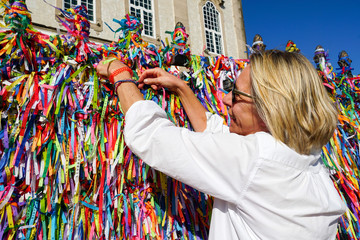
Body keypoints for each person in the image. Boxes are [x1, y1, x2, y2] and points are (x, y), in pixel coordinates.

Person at [96, 50, 346, 240]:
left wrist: (120, 73)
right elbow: (217, 134)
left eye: (236, 94)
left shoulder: (255, 160)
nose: (225, 99)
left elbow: (151, 135)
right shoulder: (307, 156)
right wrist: (182, 88)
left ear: (270, 107)